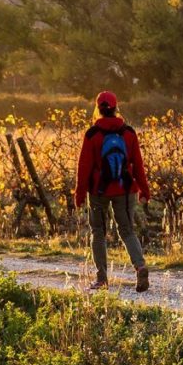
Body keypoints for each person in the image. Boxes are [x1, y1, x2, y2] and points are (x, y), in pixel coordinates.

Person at [74, 90, 151, 292]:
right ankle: (140, 266)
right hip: (125, 190)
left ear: (97, 109)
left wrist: (79, 194)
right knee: (127, 231)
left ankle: (101, 279)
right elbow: (138, 164)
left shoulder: (92, 134)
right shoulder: (129, 132)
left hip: (99, 190)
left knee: (98, 232)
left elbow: (84, 167)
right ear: (117, 108)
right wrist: (144, 189)